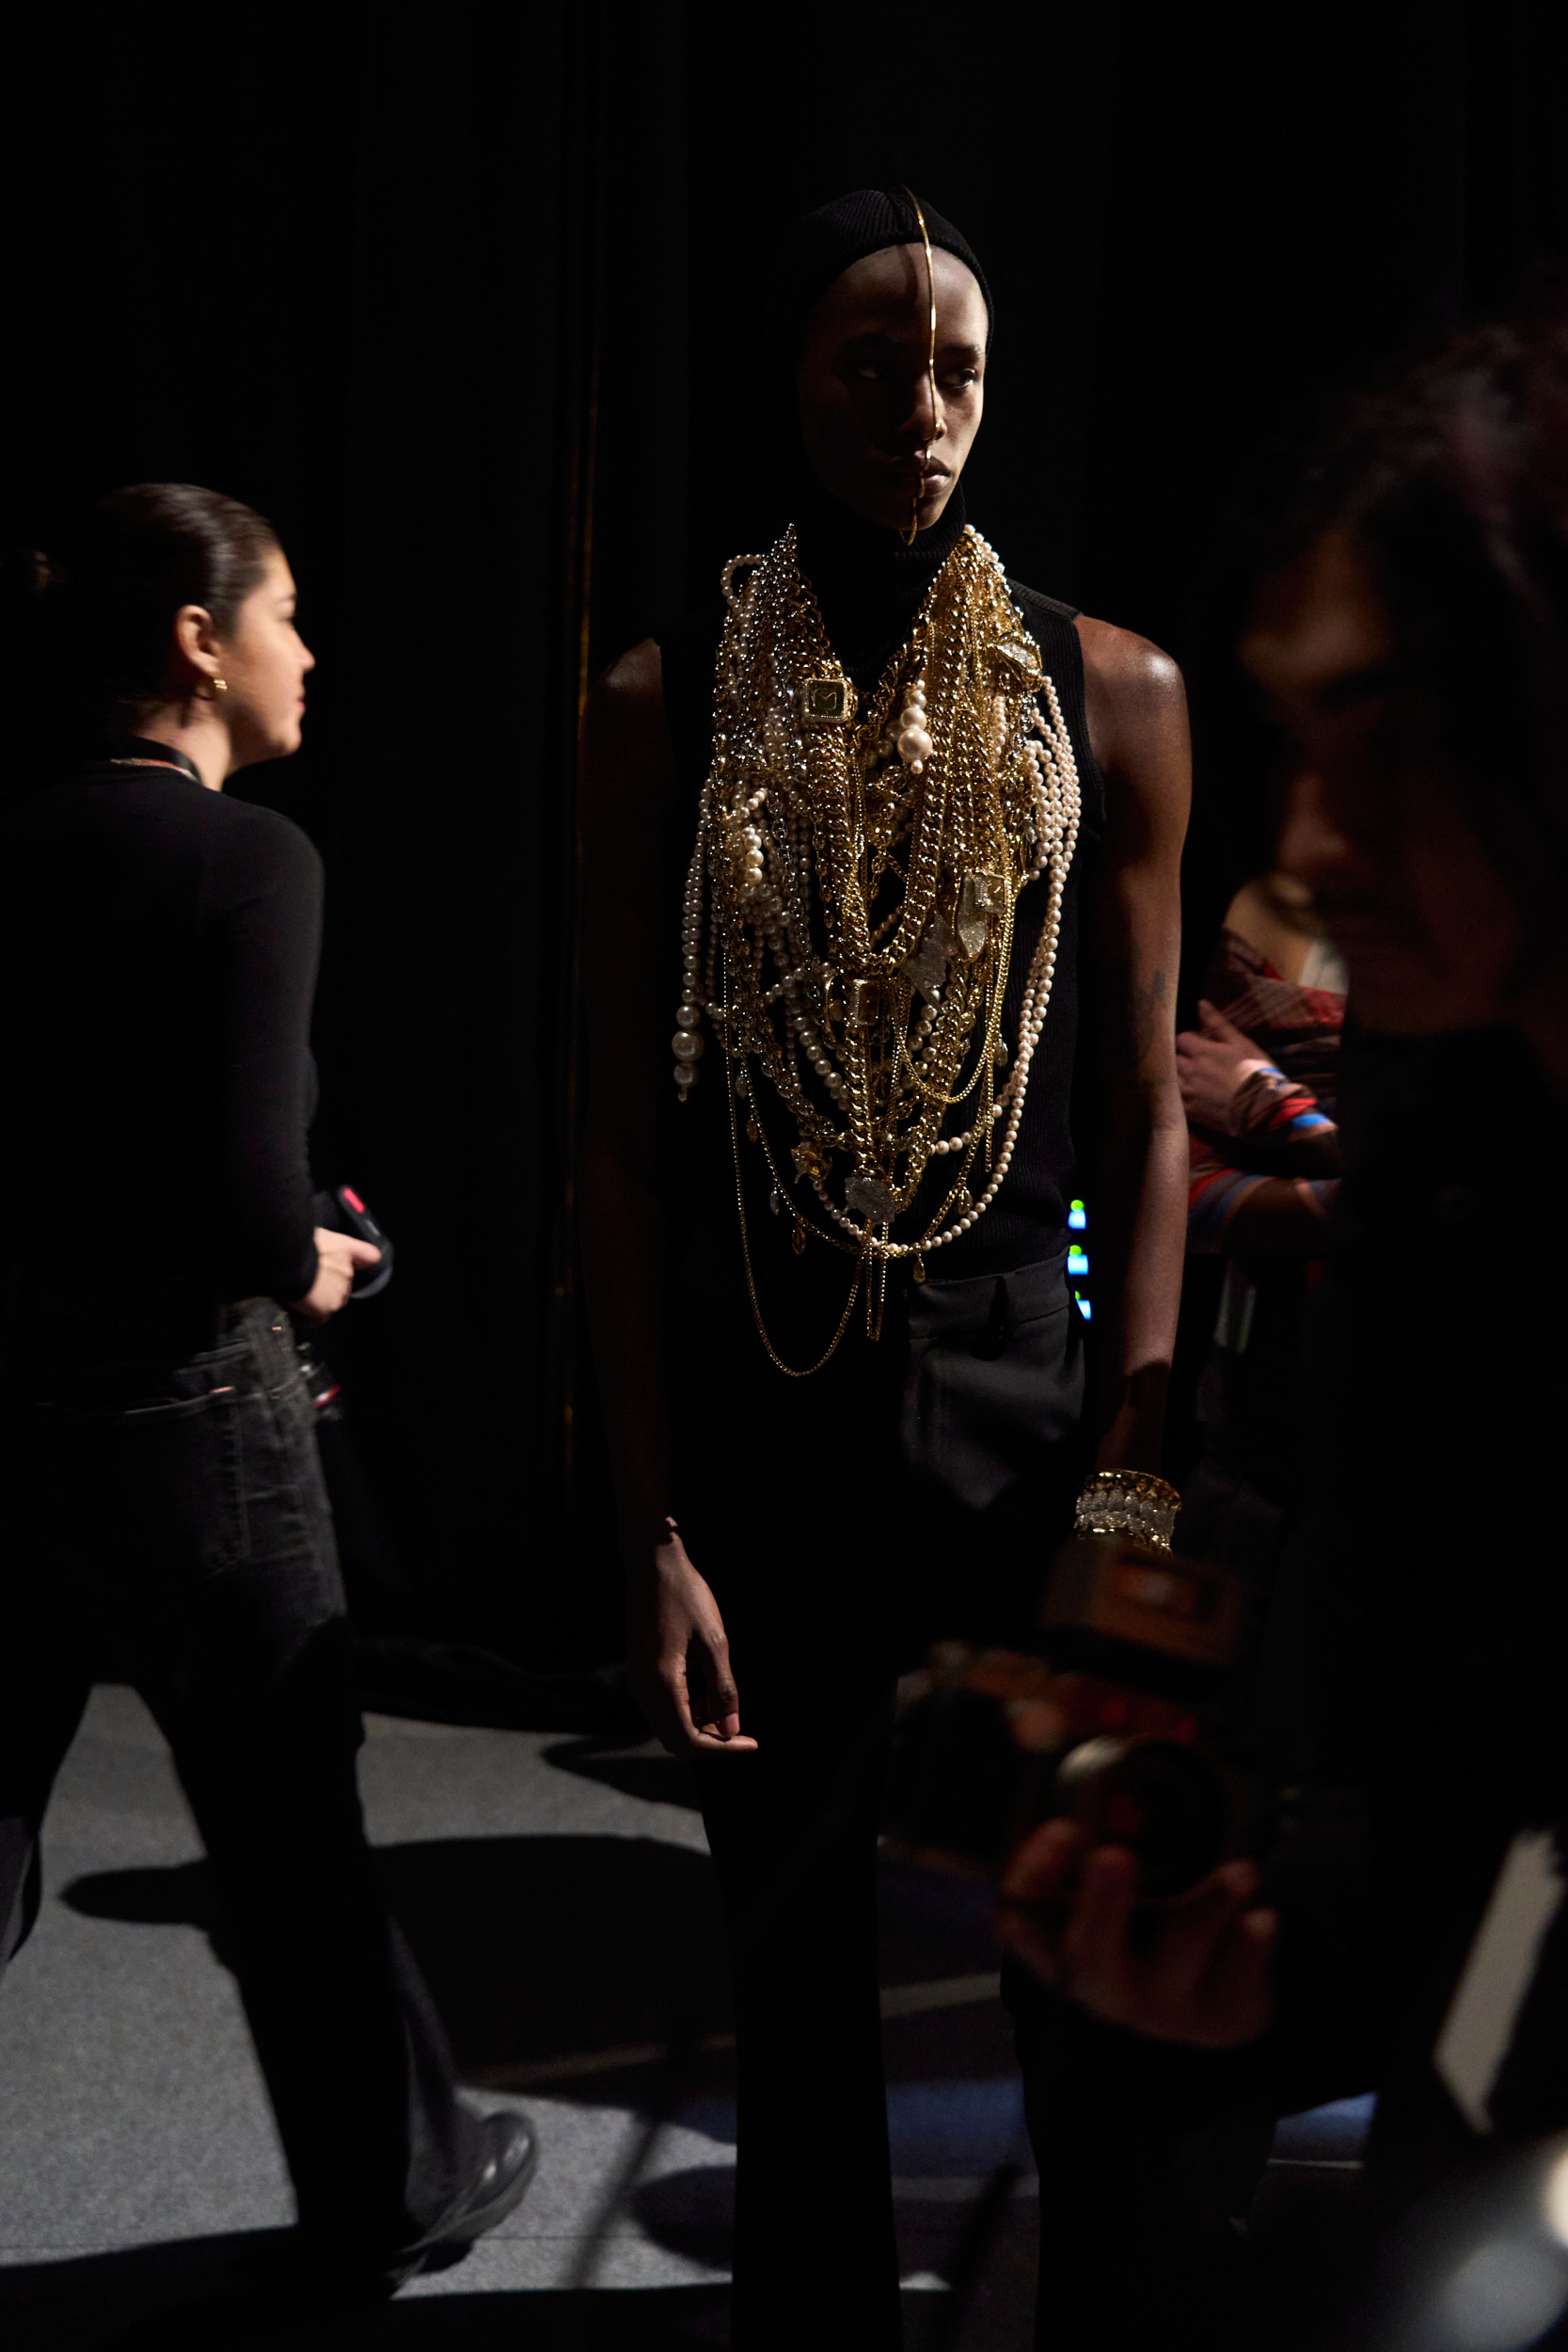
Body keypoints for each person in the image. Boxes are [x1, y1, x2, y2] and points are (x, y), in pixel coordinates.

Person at [578, 189, 1190, 2348]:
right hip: (772, 1424)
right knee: (790, 1961)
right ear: (791, 376)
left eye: (958, 371)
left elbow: (1141, 1103)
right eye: (869, 363)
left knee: (1063, 1948)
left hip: (1029, 1434)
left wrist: (1131, 1474)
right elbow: (629, 1148)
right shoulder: (674, 700)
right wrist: (652, 1525)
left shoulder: (1106, 693)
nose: (920, 412)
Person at [1001, 320, 1568, 2347]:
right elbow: (1503, 1874)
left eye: (1372, 744)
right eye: (1291, 740)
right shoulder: (1444, 1220)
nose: (1309, 840)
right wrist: (1256, 1991)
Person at [0, 485, 535, 2294]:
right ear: (197, 640)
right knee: (288, 1836)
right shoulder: (251, 861)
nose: (310, 653)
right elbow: (240, 1201)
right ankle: (394, 2190)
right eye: (287, 613)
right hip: (192, 1433)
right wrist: (330, 1250)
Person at [1175, 873, 1345, 1580]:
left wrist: (1275, 1107)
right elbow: (1185, 1196)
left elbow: (1457, 1213)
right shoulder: (1280, 905)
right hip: (1250, 1434)